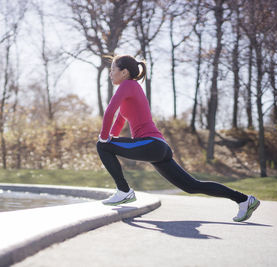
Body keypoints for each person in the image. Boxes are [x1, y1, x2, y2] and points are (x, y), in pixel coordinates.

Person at [96, 55, 260, 222]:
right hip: (158, 147)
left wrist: (104, 139)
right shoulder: (131, 88)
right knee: (192, 186)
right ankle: (244, 200)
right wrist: (111, 138)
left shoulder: (127, 85)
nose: (110, 74)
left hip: (151, 145)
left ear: (124, 72)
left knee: (101, 146)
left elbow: (109, 112)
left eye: (112, 70)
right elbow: (119, 119)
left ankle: (123, 191)